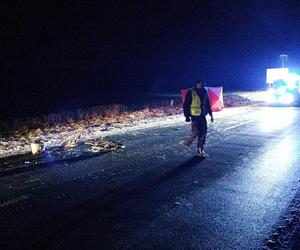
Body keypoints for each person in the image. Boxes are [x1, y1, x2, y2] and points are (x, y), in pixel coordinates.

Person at [182, 80, 214, 157]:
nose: (201, 85)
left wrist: (211, 114)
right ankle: (186, 144)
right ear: (196, 84)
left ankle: (200, 150)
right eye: (199, 83)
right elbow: (186, 105)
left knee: (203, 132)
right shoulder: (191, 92)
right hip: (194, 116)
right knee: (196, 132)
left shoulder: (204, 91)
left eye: (202, 84)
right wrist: (186, 116)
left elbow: (207, 104)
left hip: (202, 115)